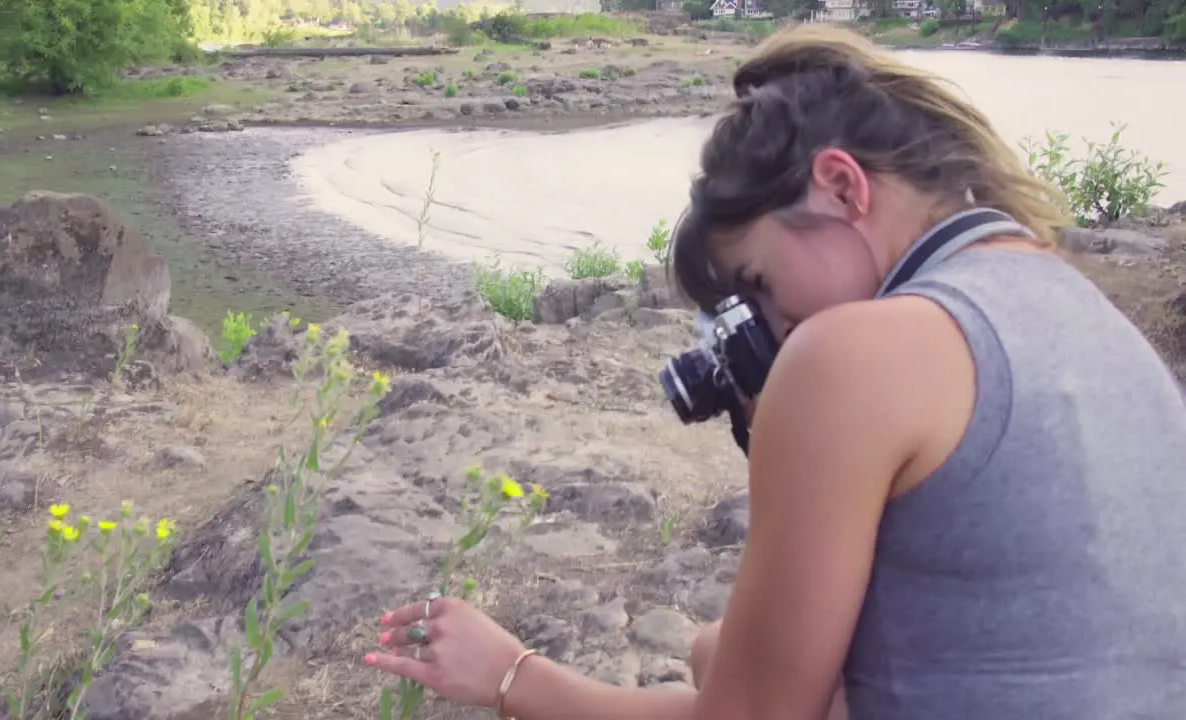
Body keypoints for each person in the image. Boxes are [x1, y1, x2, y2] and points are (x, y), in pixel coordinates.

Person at [365, 23, 1186, 720]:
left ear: (840, 186)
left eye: (759, 286)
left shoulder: (855, 357)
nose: (777, 329)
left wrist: (513, 676)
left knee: (718, 657)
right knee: (711, 649)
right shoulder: (1076, 306)